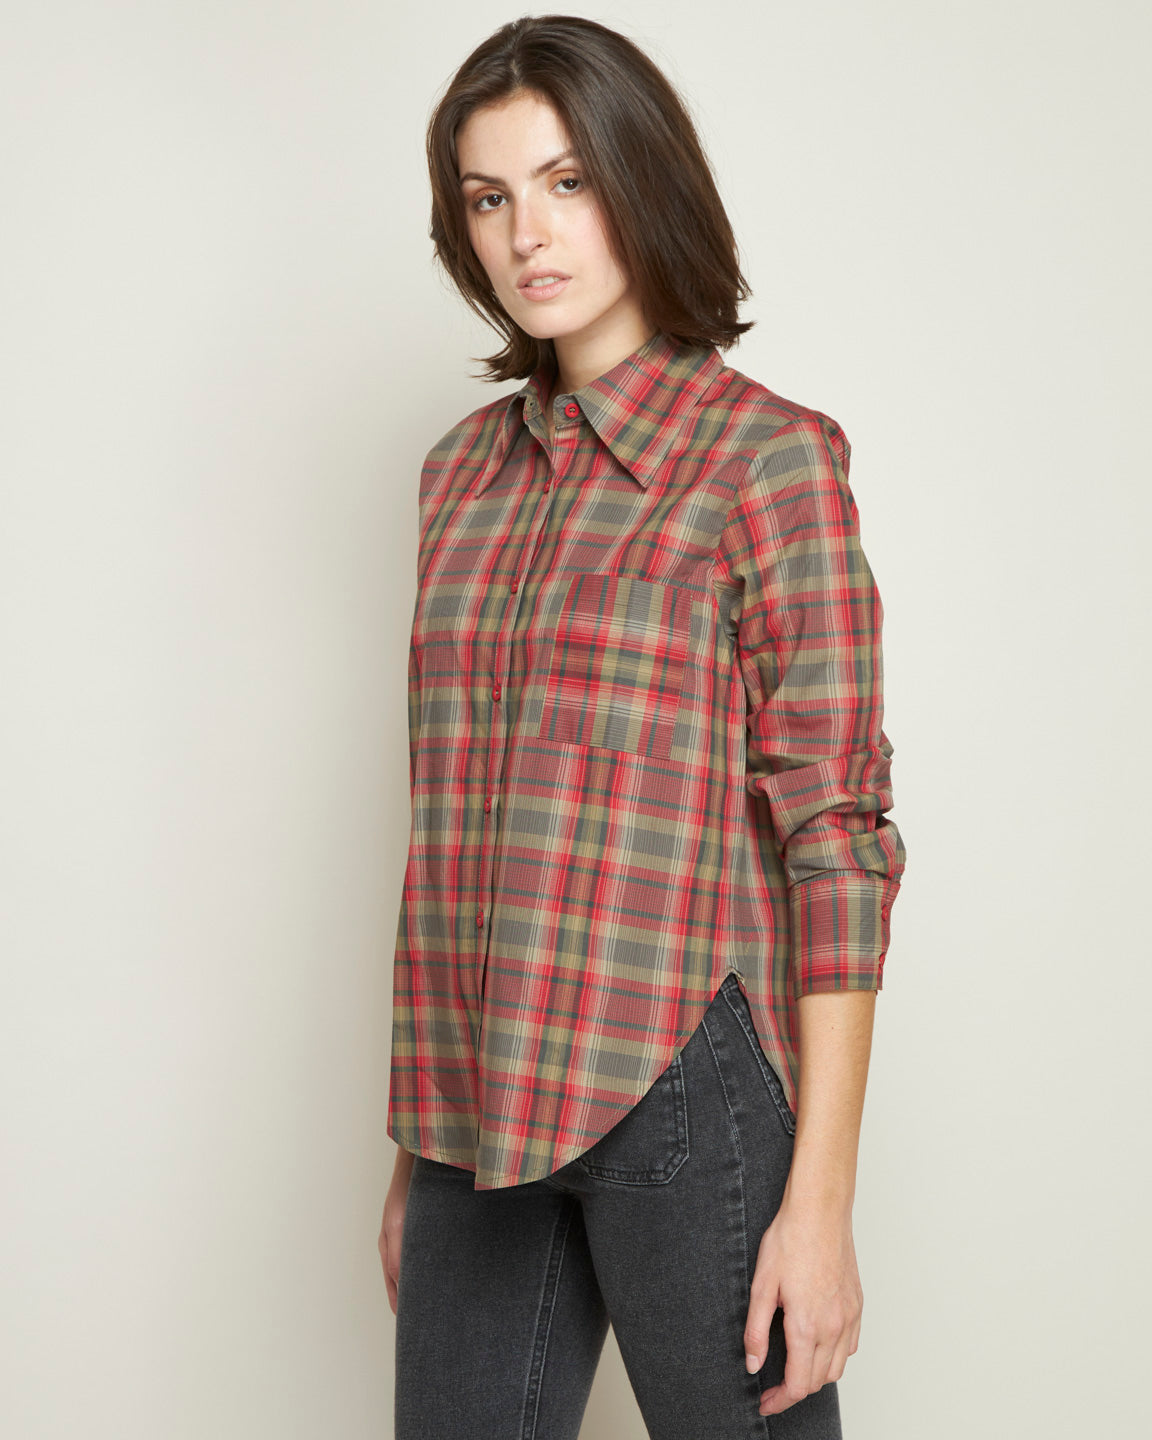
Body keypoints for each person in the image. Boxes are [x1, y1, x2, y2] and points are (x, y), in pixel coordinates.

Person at [378, 15, 907, 1439]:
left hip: (677, 1078)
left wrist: (820, 1205)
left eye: (566, 182)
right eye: (488, 198)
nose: (526, 234)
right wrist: (417, 1152)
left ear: (639, 178)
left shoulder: (767, 461)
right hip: (470, 1100)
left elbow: (838, 842)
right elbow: (456, 816)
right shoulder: (457, 481)